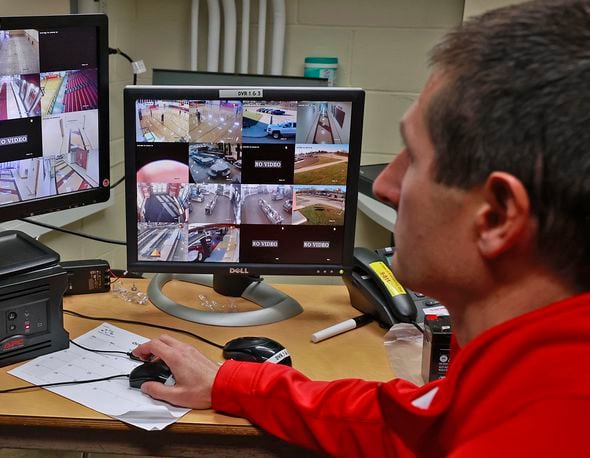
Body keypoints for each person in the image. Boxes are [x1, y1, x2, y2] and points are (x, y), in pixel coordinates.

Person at [131, 1, 590, 455]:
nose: (386, 185)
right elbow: (410, 424)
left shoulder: (529, 430)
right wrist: (230, 382)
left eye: (413, 158)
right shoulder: (531, 374)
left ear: (496, 216)